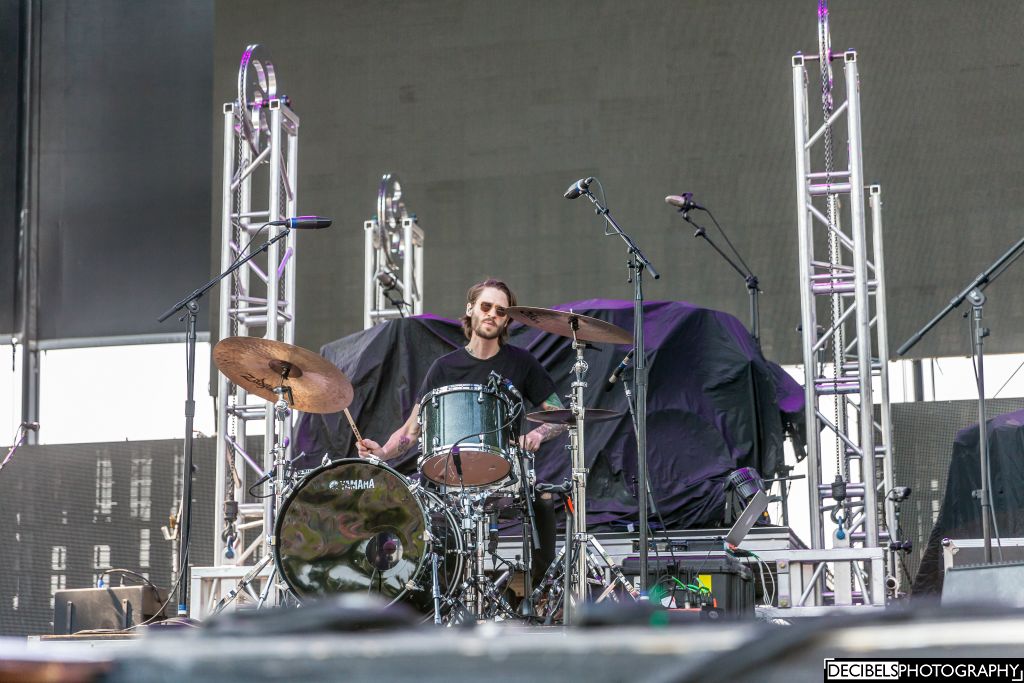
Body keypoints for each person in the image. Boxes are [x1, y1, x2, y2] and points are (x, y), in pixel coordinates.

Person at [357, 278, 565, 578]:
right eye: (486, 306)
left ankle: (542, 587)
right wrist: (383, 453)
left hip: (505, 475)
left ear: (507, 320)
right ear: (471, 309)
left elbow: (558, 414)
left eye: (501, 311)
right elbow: (411, 431)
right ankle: (441, 589)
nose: (492, 314)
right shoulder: (444, 368)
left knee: (543, 500)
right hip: (451, 478)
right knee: (424, 511)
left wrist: (536, 434)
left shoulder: (522, 363)